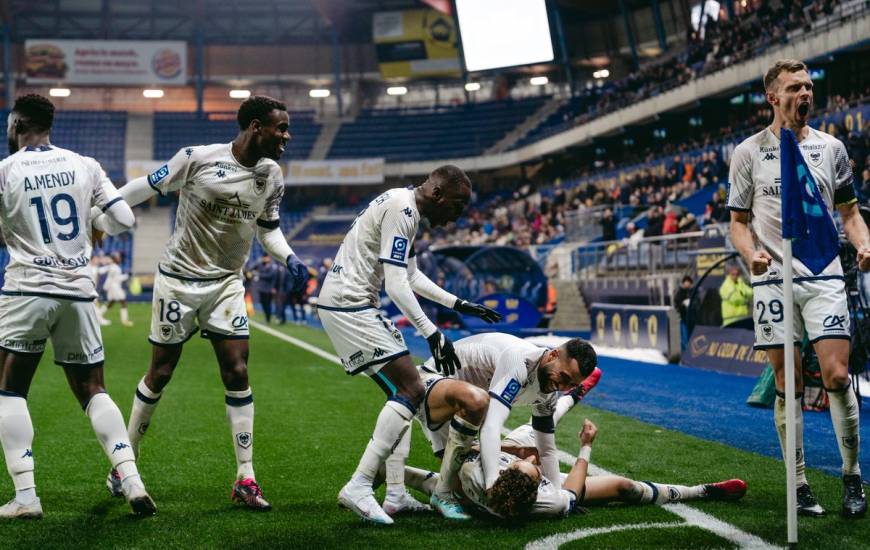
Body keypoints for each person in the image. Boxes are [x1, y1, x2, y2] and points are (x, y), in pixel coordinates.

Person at [90, 95, 310, 510]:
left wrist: (289, 257)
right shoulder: (196, 158)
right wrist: (103, 214)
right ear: (256, 127)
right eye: (280, 128)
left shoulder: (272, 175)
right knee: (161, 372)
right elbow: (145, 185)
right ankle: (124, 466)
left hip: (226, 284)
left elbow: (269, 228)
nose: (287, 135)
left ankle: (246, 477)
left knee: (238, 370)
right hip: (177, 282)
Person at [316, 166, 502, 525]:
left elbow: (411, 274)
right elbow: (396, 284)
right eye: (457, 205)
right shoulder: (403, 209)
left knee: (406, 394)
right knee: (411, 388)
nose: (459, 215)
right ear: (436, 194)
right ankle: (360, 485)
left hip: (350, 304)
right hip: (349, 305)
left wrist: (456, 304)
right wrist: (432, 333)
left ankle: (397, 492)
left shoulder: (406, 208)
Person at [0, 94, 155, 518]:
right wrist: (92, 223)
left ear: (16, 125)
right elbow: (123, 220)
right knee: (93, 390)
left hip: (26, 290)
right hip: (78, 291)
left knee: (10, 389)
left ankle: (27, 497)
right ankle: (131, 478)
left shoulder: (5, 170)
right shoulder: (85, 165)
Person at [728, 59, 868, 518]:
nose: (806, 94)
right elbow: (738, 223)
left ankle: (852, 477)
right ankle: (801, 483)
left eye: (809, 87)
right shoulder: (748, 152)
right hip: (772, 279)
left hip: (824, 271)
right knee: (786, 383)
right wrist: (751, 256)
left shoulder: (832, 148)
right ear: (773, 97)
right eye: (795, 88)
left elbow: (849, 213)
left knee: (836, 377)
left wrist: (864, 244)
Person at [408, 333, 596, 520]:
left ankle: (573, 397)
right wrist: (492, 483)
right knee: (477, 405)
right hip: (429, 384)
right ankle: (434, 490)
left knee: (464, 485)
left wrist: (557, 493)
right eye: (563, 377)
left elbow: (546, 448)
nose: (562, 386)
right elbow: (491, 426)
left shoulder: (549, 388)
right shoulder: (520, 361)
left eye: (571, 385)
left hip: (466, 409)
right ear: (553, 355)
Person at [401, 419, 746, 519]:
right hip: (544, 492)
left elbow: (448, 459)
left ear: (505, 472)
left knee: (421, 479)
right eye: (537, 469)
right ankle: (703, 490)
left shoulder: (471, 473)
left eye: (529, 464)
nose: (535, 461)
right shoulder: (546, 502)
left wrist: (501, 447)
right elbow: (572, 489)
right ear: (539, 488)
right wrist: (586, 445)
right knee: (624, 487)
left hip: (470, 488)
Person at [99, 252, 133, 327]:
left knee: (111, 303)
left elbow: (112, 277)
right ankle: (125, 320)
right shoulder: (115, 268)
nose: (119, 259)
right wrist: (127, 275)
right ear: (115, 259)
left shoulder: (113, 267)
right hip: (114, 287)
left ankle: (98, 314)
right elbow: (112, 279)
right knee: (123, 302)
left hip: (113, 287)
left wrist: (126, 275)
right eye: (118, 258)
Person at [719, 264, 752, 328]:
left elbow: (751, 292)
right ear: (729, 274)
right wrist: (745, 298)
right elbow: (736, 299)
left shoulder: (739, 283)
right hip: (730, 321)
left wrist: (741, 292)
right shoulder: (726, 285)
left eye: (737, 274)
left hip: (742, 319)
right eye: (733, 274)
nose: (735, 276)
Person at [252, 255, 279, 323]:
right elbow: (252, 268)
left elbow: (270, 275)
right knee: (263, 304)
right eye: (264, 258)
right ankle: (266, 318)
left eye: (266, 257)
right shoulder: (261, 264)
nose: (265, 259)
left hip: (269, 289)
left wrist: (259, 274)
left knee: (268, 304)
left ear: (269, 258)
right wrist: (258, 262)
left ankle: (268, 319)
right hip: (261, 288)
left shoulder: (272, 265)